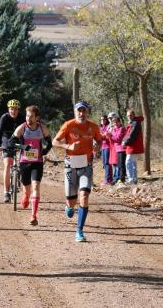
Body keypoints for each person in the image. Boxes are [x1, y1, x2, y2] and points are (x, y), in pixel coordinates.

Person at [53, 101, 102, 242]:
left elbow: (100, 140)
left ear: (87, 112)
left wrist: (98, 147)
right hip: (71, 166)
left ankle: (79, 231)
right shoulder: (68, 125)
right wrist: (68, 145)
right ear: (75, 112)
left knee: (84, 196)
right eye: (79, 111)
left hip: (86, 166)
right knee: (71, 202)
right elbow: (55, 142)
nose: (81, 113)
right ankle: (69, 207)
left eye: (84, 111)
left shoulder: (93, 127)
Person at [10, 105, 52, 226]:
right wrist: (23, 147)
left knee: (35, 186)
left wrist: (44, 151)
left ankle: (33, 215)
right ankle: (25, 195)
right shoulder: (22, 128)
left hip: (37, 163)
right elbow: (11, 142)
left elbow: (49, 142)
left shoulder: (42, 128)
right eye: (27, 116)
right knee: (27, 187)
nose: (28, 118)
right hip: (24, 162)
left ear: (37, 117)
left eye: (31, 116)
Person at [0, 99, 23, 203]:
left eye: (15, 109)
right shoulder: (4, 118)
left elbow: (28, 131)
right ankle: (6, 192)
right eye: (11, 109)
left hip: (19, 139)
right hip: (6, 139)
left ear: (18, 110)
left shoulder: (22, 117)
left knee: (26, 163)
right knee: (7, 164)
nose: (13, 111)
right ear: (8, 109)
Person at [123, 109, 145, 185]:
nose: (129, 117)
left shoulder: (135, 123)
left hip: (133, 146)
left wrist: (125, 142)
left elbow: (132, 135)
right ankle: (134, 179)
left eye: (131, 115)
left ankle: (131, 179)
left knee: (128, 162)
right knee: (133, 163)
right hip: (132, 146)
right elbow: (128, 134)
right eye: (128, 116)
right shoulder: (133, 123)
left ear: (134, 115)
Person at [106, 113, 126, 185]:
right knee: (118, 164)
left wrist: (110, 136)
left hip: (122, 148)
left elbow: (118, 139)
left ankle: (121, 179)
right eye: (114, 122)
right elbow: (112, 140)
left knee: (121, 165)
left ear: (119, 122)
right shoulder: (114, 129)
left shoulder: (122, 129)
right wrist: (109, 136)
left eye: (117, 122)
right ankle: (118, 178)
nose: (115, 124)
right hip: (117, 149)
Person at [99, 115, 112, 185]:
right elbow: (100, 136)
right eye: (101, 120)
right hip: (103, 147)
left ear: (106, 120)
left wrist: (102, 135)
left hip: (107, 146)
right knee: (104, 163)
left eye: (104, 119)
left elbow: (107, 137)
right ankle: (107, 178)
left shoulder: (108, 127)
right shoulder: (101, 128)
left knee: (107, 163)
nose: (102, 121)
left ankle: (108, 179)